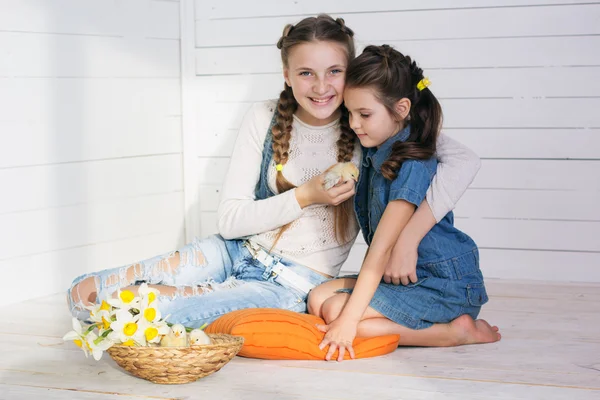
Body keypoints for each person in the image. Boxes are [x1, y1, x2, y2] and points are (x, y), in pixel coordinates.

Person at [67, 16, 481, 329]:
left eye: (334, 72)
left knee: (138, 310)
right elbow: (230, 220)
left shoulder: (369, 126)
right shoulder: (264, 116)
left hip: (293, 283)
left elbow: (462, 161)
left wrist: (409, 239)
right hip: (236, 249)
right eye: (306, 73)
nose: (321, 86)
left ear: (351, 73)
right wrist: (306, 196)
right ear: (287, 75)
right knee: (84, 294)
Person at [307, 44, 501, 362]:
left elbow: (380, 250)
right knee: (318, 297)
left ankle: (456, 332)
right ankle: (375, 318)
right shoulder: (377, 147)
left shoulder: (411, 163)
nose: (354, 124)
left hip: (444, 284)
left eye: (364, 114)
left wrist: (347, 323)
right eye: (350, 113)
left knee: (336, 312)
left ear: (401, 109)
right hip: (403, 277)